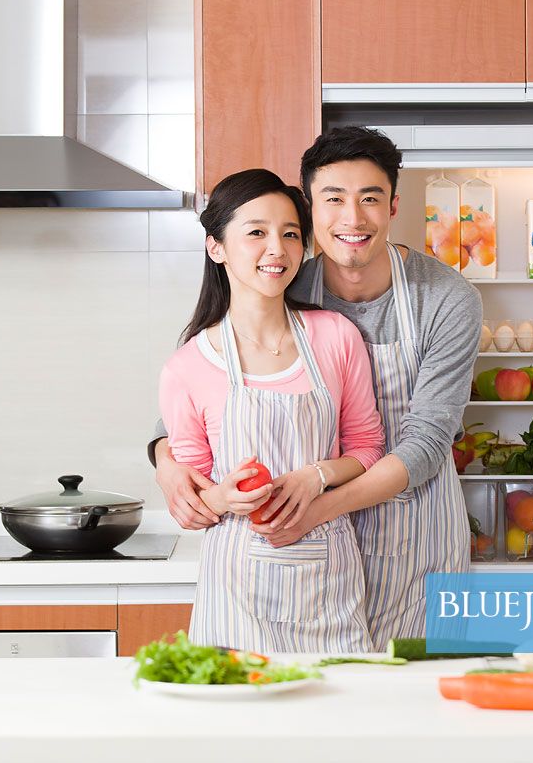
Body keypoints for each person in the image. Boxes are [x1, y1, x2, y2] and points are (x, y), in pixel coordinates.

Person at [152, 127, 482, 648]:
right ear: (310, 208)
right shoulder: (283, 281)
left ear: (393, 206)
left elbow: (426, 442)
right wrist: (169, 467)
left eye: (369, 199)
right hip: (301, 563)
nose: (353, 219)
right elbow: (192, 393)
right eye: (334, 200)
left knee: (412, 714)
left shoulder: (444, 298)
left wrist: (317, 502)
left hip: (416, 543)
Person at [157, 168, 384, 653]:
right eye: (256, 232)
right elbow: (192, 500)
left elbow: (367, 449)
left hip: (331, 593)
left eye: (290, 234)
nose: (277, 249)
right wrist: (223, 499)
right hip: (236, 597)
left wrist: (316, 476)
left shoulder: (335, 336)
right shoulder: (187, 367)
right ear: (216, 247)